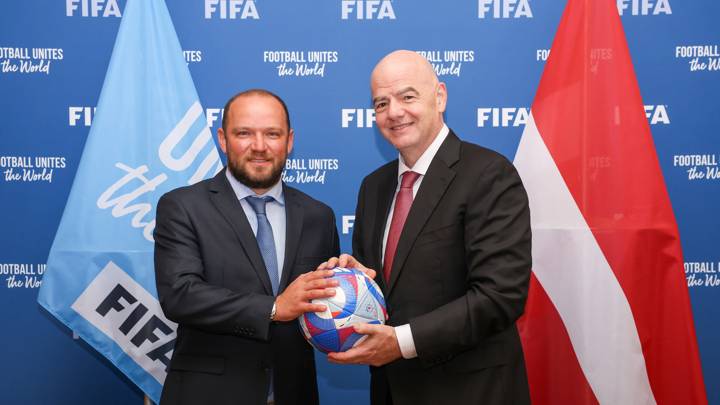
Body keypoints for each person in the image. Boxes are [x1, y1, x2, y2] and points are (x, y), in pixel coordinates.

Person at [323, 50, 532, 404]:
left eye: (407, 96)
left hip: (470, 392)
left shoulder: (489, 174)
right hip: (392, 391)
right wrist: (360, 281)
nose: (394, 112)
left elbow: (500, 296)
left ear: (440, 96)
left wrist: (401, 342)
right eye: (381, 103)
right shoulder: (373, 187)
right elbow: (393, 286)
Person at [154, 89, 340, 405]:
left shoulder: (318, 215)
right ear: (223, 139)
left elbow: (323, 307)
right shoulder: (183, 206)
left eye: (272, 134)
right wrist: (274, 308)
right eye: (244, 133)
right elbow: (180, 295)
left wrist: (345, 286)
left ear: (289, 141)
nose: (259, 146)